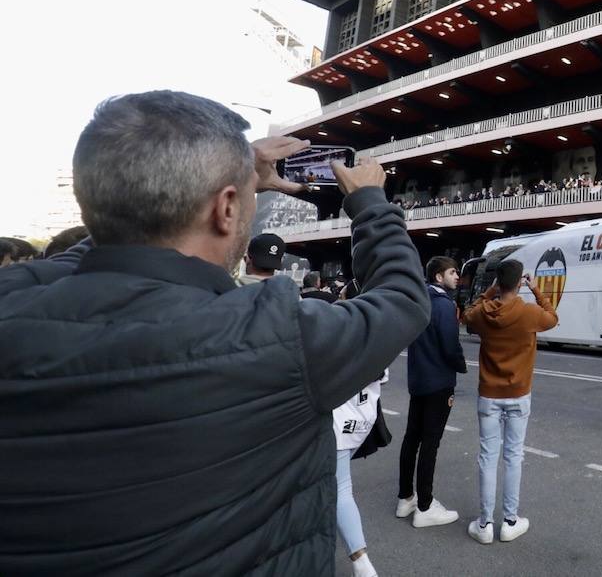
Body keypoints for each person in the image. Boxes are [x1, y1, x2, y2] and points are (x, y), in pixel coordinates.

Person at [0, 91, 433, 576]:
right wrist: (371, 203)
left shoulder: (12, 303)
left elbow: (79, 252)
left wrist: (144, 202)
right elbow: (402, 299)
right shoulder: (276, 334)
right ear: (226, 209)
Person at [461, 259, 558, 544]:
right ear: (520, 283)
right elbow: (552, 317)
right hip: (518, 394)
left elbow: (466, 316)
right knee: (513, 457)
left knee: (487, 458)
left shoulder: (483, 313)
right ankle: (510, 521)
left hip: (489, 395)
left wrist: (488, 294)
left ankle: (485, 524)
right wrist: (538, 291)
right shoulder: (529, 313)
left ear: (497, 283)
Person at [398, 256, 467, 529]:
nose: (456, 277)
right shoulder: (443, 305)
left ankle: (406, 497)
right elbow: (450, 344)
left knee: (411, 439)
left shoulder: (419, 301)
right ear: (438, 277)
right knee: (431, 443)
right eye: (452, 272)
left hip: (418, 379)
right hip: (439, 382)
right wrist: (460, 365)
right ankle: (425, 506)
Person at [334, 373, 383, 577]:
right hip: (361, 421)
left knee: (340, 491)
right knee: (337, 488)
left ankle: (361, 562)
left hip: (335, 422)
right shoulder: (378, 342)